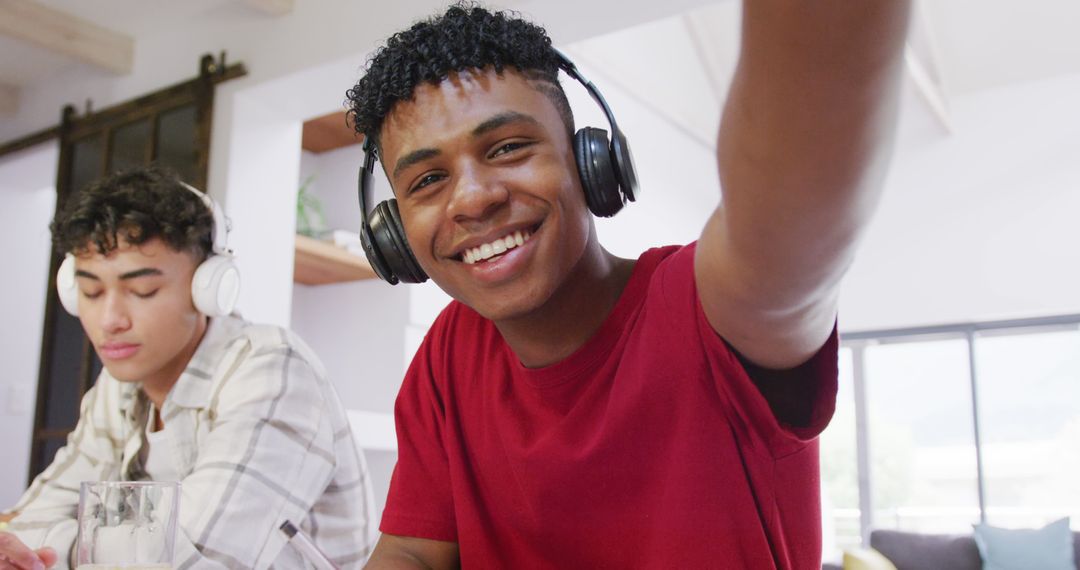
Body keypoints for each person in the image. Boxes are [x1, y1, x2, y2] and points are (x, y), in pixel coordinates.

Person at [345, 2, 910, 568]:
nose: (471, 198)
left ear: (592, 162)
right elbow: (413, 553)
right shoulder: (450, 354)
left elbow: (798, 198)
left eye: (508, 147)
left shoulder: (710, 310)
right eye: (428, 180)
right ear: (395, 235)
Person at [0, 166, 373, 569]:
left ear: (208, 288)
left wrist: (55, 550)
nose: (110, 320)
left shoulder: (272, 369)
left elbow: (192, 558)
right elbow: (24, 522)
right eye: (90, 291)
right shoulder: (118, 384)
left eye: (142, 291)